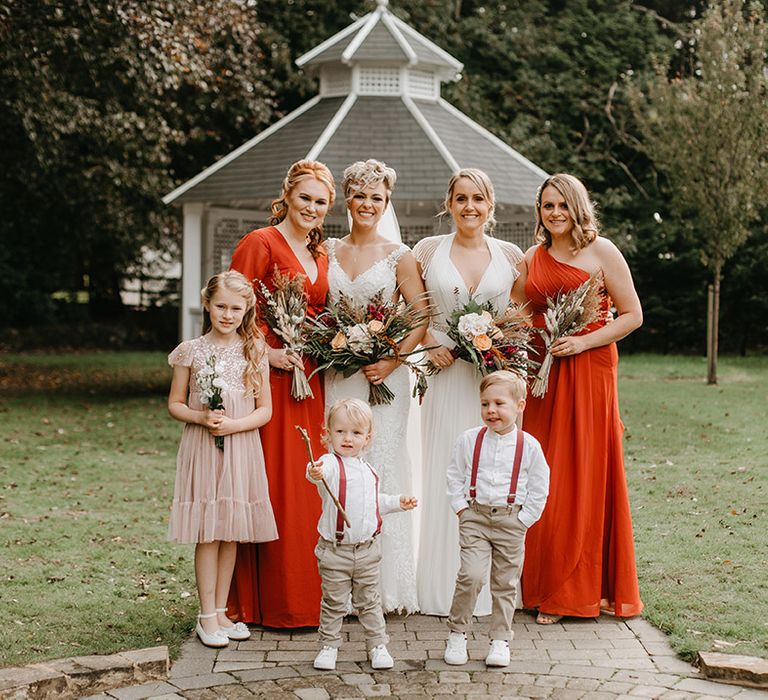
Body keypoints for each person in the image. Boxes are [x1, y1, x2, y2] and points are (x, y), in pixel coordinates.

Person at [519, 173, 644, 624]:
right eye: (547, 206)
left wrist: (583, 343)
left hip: (590, 371)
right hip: (543, 375)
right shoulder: (534, 257)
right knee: (543, 473)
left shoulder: (602, 251)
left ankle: (572, 592)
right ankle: (540, 580)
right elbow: (519, 310)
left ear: (578, 207)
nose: (554, 214)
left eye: (562, 206)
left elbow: (633, 315)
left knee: (583, 472)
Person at [227, 159, 335, 628]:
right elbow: (232, 309)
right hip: (268, 378)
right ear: (287, 195)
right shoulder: (260, 242)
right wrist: (266, 354)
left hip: (310, 377)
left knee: (306, 485)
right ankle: (260, 602)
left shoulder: (322, 253)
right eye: (305, 197)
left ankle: (303, 597)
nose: (311, 207)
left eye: (321, 202)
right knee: (271, 485)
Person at [414, 168, 525, 616]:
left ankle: (488, 587)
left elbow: (517, 316)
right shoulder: (427, 251)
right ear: (449, 203)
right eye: (461, 198)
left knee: (490, 473)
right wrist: (429, 345)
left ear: (490, 205)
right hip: (443, 377)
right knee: (446, 467)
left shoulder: (512, 255)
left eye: (477, 199)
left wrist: (495, 341)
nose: (469, 207)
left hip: (490, 380)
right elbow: (413, 314)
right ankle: (437, 585)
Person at [324, 159, 427, 613]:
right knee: (340, 469)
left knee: (380, 466)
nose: (368, 204)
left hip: (385, 376)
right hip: (339, 374)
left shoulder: (399, 254)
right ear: (347, 199)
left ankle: (385, 588)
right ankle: (338, 587)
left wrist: (391, 359)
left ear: (388, 203)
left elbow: (421, 315)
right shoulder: (326, 250)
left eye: (377, 198)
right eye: (360, 196)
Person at [167, 271, 276, 647]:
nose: (227, 314)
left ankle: (221, 611)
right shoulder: (190, 350)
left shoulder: (255, 350)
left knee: (232, 531)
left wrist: (234, 425)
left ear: (247, 310)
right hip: (204, 448)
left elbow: (265, 411)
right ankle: (204, 615)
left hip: (242, 447)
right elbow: (175, 403)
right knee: (209, 531)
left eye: (235, 308)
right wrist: (201, 417)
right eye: (220, 306)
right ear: (207, 304)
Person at [443, 371, 549, 667]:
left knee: (505, 582)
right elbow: (454, 474)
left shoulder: (529, 446)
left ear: (520, 405)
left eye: (499, 403)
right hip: (475, 517)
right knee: (471, 575)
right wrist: (461, 508)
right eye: (485, 404)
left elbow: (540, 486)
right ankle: (457, 633)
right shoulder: (468, 440)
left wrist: (525, 519)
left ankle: (500, 639)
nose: (491, 411)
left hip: (511, 520)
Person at [307, 398, 418, 671]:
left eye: (356, 433)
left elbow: (372, 503)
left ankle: (377, 645)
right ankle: (328, 646)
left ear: (367, 438)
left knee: (370, 601)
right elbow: (318, 474)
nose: (347, 439)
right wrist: (315, 471)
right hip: (336, 552)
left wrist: (396, 502)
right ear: (327, 434)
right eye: (340, 432)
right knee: (334, 603)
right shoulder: (329, 464)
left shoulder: (368, 470)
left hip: (367, 550)